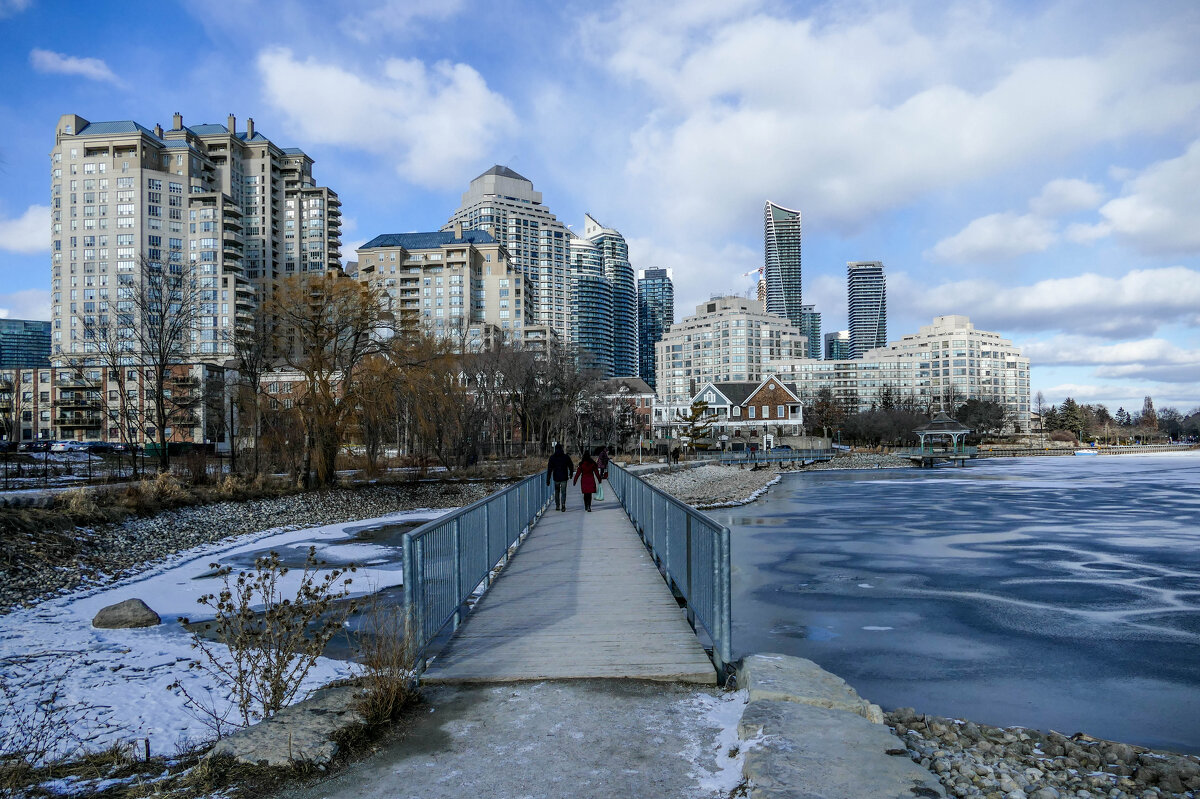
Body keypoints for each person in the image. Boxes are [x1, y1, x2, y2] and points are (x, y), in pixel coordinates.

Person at [545, 443, 574, 512]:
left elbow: (549, 469)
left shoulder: (552, 457)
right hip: (564, 477)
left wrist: (548, 479)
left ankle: (557, 505)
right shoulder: (566, 457)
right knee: (563, 492)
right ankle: (563, 504)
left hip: (556, 477)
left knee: (557, 491)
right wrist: (571, 474)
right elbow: (571, 465)